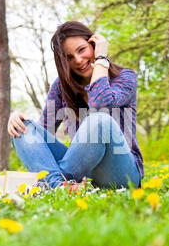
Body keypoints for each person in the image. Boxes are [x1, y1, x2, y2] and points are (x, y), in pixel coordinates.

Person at [8, 21, 144, 192]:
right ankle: (59, 187)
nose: (78, 60)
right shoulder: (61, 87)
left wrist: (102, 59)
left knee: (99, 120)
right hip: (81, 173)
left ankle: (50, 184)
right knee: (24, 128)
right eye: (69, 57)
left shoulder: (125, 77)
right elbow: (43, 135)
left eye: (82, 50)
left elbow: (100, 104)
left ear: (94, 44)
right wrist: (17, 121)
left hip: (121, 171)